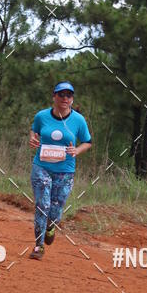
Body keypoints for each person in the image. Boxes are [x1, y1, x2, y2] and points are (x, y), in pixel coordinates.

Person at [29, 82, 92, 260]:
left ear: (72, 99)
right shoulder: (42, 116)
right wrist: (33, 139)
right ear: (54, 96)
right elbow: (34, 131)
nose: (65, 98)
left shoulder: (78, 120)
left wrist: (76, 150)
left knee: (55, 211)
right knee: (42, 205)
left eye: (68, 95)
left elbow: (87, 142)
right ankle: (38, 246)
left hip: (65, 171)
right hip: (41, 167)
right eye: (61, 94)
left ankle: (51, 226)